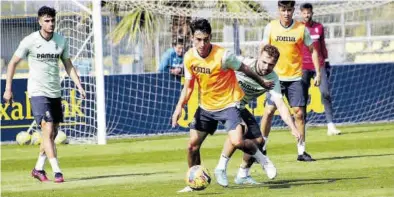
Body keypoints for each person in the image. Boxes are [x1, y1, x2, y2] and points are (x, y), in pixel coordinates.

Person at [171, 18, 276, 192]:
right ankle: (193, 181)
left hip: (228, 104)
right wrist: (179, 108)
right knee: (192, 146)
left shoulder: (223, 55)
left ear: (210, 37)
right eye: (198, 40)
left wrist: (262, 82)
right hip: (206, 107)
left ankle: (262, 158)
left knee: (237, 141)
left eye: (206, 39)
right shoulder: (189, 57)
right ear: (192, 38)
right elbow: (188, 87)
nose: (202, 44)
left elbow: (244, 68)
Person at [3, 6, 86, 183]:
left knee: (53, 133)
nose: (50, 24)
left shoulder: (61, 41)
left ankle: (38, 168)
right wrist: (8, 89)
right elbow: (12, 64)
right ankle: (57, 172)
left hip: (55, 92)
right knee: (47, 129)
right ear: (40, 21)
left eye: (52, 20)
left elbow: (68, 65)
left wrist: (78, 85)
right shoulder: (30, 41)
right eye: (47, 21)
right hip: (37, 92)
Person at [227, 45, 301, 185]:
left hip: (240, 106)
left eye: (271, 64)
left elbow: (280, 104)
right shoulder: (243, 63)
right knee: (241, 131)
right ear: (259, 56)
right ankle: (222, 168)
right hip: (225, 104)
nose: (266, 67)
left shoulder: (273, 79)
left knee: (259, 141)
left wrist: (292, 127)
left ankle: (243, 174)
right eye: (264, 62)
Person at [260, 0, 321, 162]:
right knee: (268, 111)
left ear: (293, 10)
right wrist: (260, 70)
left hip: (295, 78)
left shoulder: (301, 29)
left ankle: (301, 151)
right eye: (283, 10)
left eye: (289, 10)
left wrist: (318, 72)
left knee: (299, 113)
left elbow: (313, 50)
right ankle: (262, 147)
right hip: (275, 78)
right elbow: (263, 48)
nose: (286, 13)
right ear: (278, 10)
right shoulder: (271, 27)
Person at [300, 3, 341, 136]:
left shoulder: (319, 27)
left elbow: (322, 46)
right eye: (304, 13)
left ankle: (330, 125)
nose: (307, 15)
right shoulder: (298, 28)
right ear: (301, 13)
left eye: (309, 12)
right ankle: (302, 125)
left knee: (325, 93)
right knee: (303, 97)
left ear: (312, 13)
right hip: (303, 66)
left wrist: (327, 61)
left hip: (320, 65)